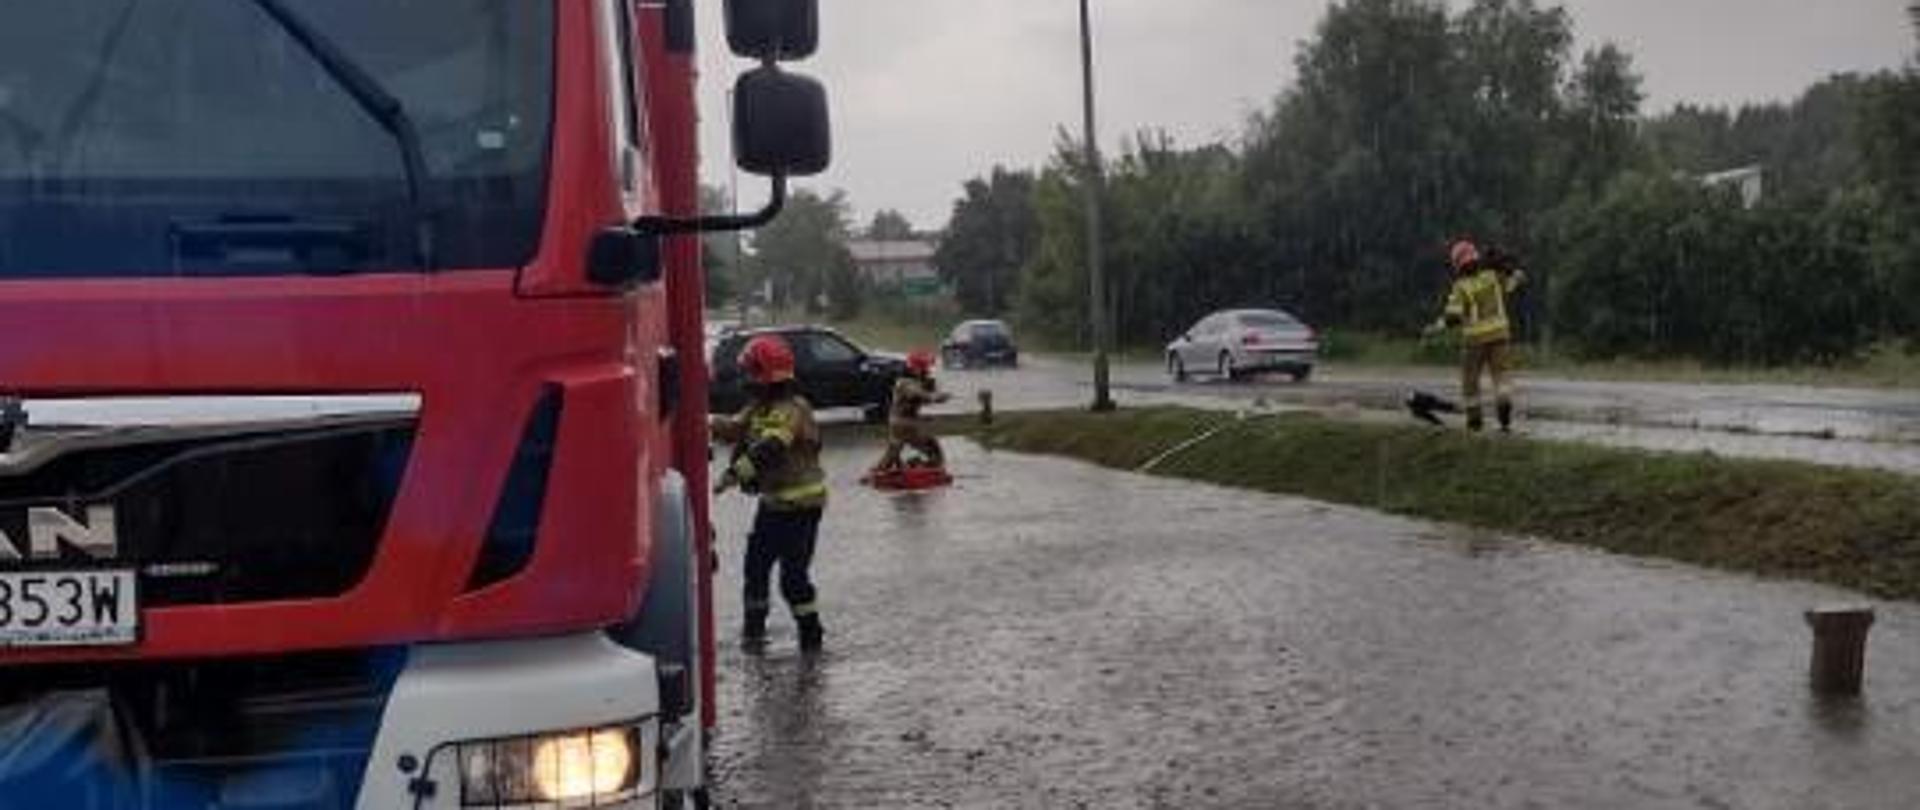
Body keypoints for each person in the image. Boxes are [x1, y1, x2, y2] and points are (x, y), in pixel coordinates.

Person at [710, 335, 829, 650]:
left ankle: (811, 638)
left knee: (793, 580)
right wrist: (702, 421)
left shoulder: (793, 409)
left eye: (750, 372)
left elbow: (771, 447)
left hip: (802, 508)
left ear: (764, 375)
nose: (745, 380)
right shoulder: (759, 407)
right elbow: (734, 427)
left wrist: (733, 476)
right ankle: (753, 635)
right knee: (755, 569)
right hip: (773, 505)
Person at [1424, 239, 1527, 432]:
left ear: (1457, 264)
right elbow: (1514, 282)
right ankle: (1504, 406)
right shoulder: (1493, 276)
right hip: (1500, 334)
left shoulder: (1461, 286)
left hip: (1474, 340)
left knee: (1470, 380)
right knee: (1501, 375)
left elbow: (1453, 317)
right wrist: (1516, 273)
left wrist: (1436, 327)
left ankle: (1474, 422)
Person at [871, 350, 951, 475]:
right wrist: (935, 397)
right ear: (916, 368)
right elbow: (918, 394)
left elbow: (922, 397)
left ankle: (883, 470)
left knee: (894, 451)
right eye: (925, 368)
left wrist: (935, 391)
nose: (927, 370)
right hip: (904, 423)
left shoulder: (915, 380)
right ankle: (919, 469)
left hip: (902, 422)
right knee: (932, 448)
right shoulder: (905, 383)